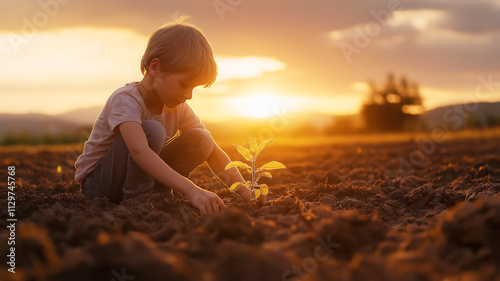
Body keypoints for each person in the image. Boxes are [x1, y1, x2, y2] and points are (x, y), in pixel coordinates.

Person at [74, 19, 250, 215]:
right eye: (184, 84)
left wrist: (244, 189)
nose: (189, 95)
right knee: (152, 130)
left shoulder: (178, 107)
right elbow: (139, 150)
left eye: (194, 88)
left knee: (202, 138)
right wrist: (191, 189)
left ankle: (158, 192)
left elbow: (213, 152)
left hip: (138, 175)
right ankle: (138, 199)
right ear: (155, 68)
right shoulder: (125, 100)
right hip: (100, 185)